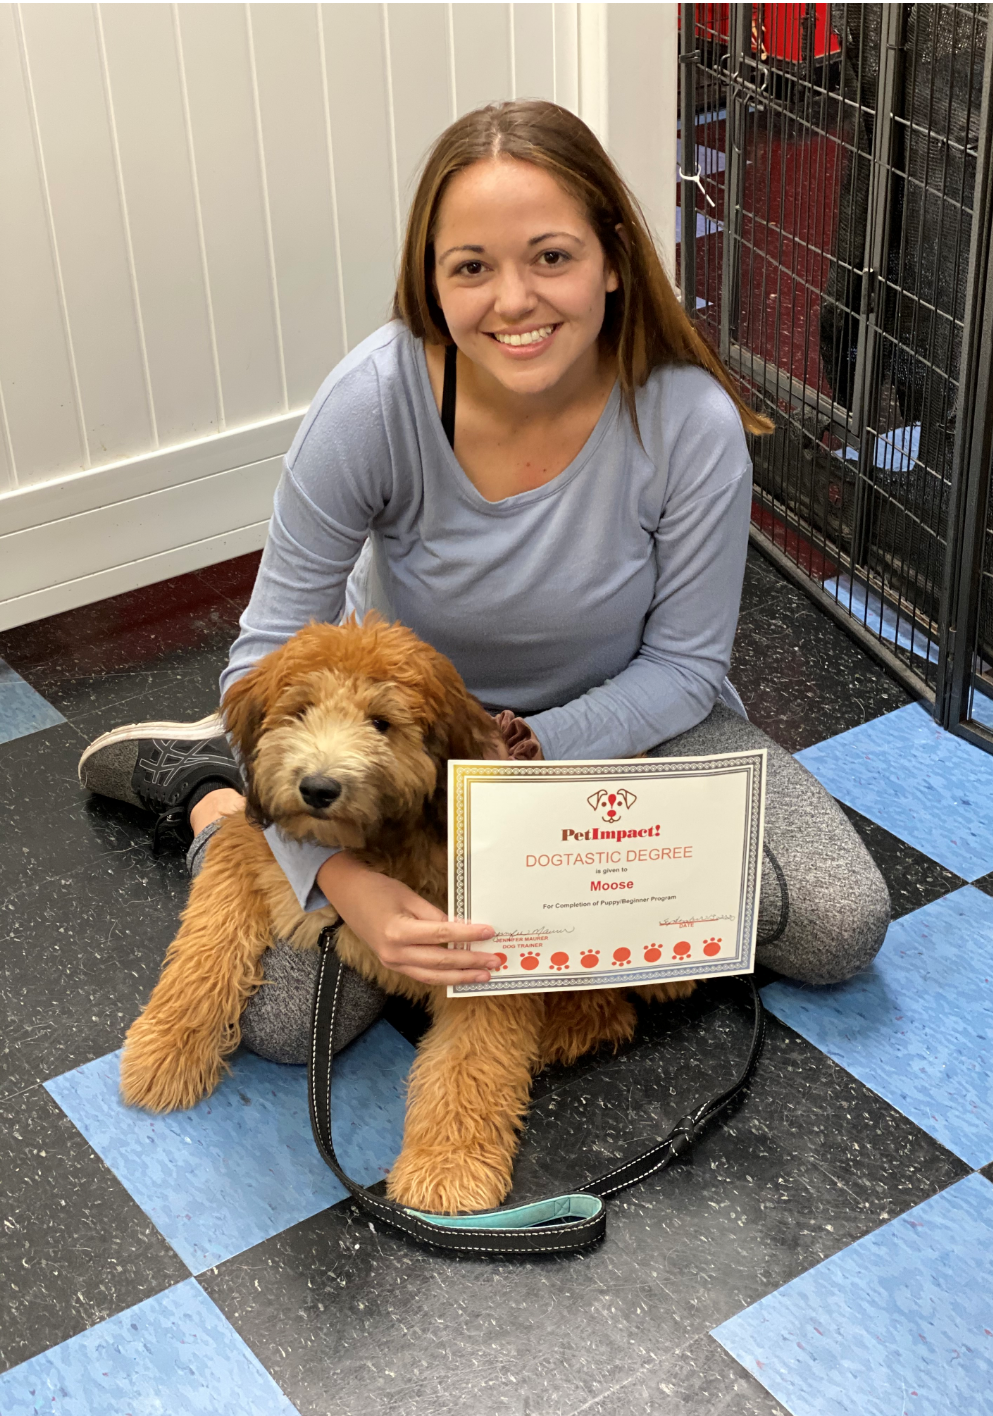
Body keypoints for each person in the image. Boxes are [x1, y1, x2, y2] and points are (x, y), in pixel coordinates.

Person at [79, 100, 890, 1063]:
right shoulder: (372, 403)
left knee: (838, 926)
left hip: (629, 727)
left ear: (614, 260)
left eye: (552, 256)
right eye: (472, 267)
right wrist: (347, 886)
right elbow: (268, 648)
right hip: (404, 747)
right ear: (433, 282)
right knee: (286, 1028)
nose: (515, 301)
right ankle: (216, 791)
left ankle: (517, 906)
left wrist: (535, 755)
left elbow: (682, 666)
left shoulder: (690, 421)